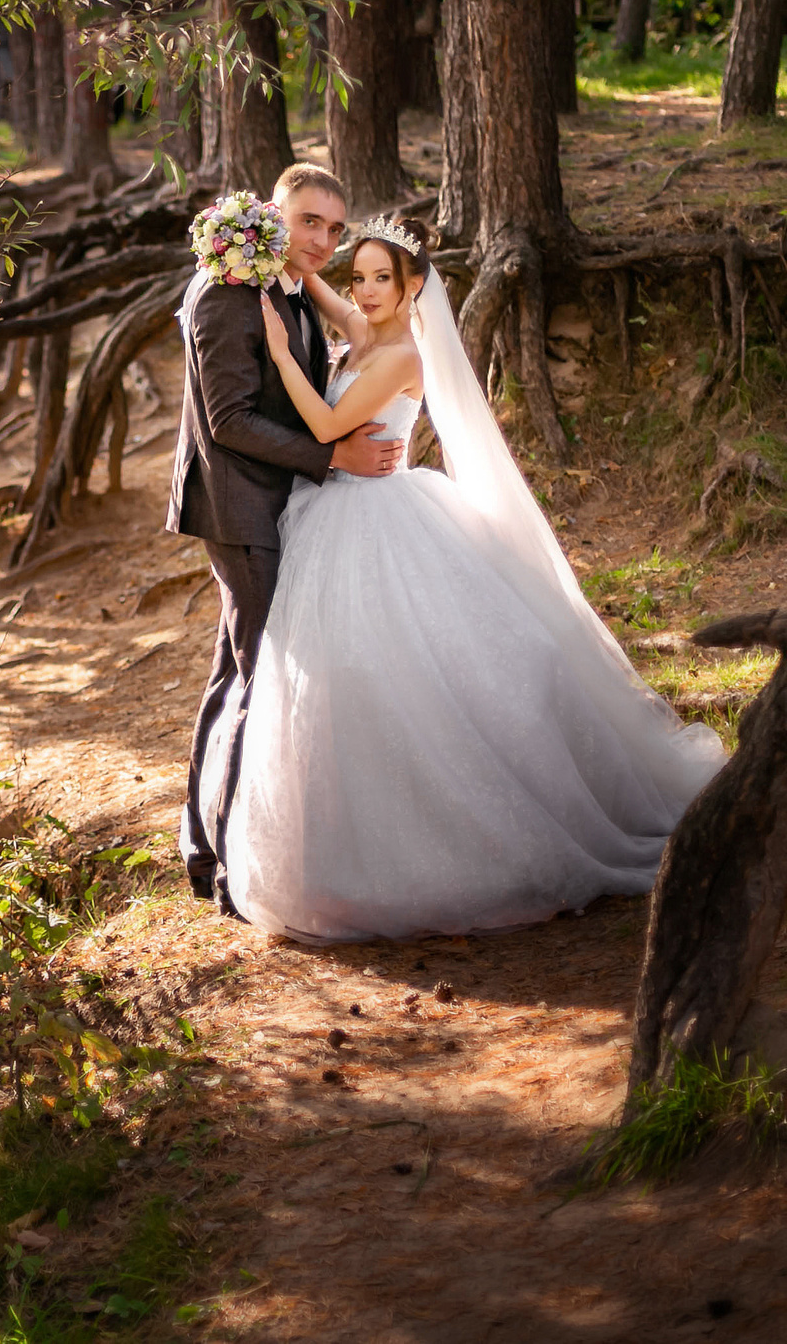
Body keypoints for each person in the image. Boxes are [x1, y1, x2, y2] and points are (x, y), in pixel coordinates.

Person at [211, 213, 725, 941]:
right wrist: (288, 262)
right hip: (335, 513)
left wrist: (277, 351)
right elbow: (335, 305)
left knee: (413, 669)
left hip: (378, 513)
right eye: (360, 277)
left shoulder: (400, 356)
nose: (364, 289)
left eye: (382, 278)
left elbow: (326, 429)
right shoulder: (368, 332)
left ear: (413, 285)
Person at [167, 163, 402, 914]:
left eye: (335, 228)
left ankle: (202, 849)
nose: (323, 241)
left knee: (231, 675)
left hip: (280, 507)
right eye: (310, 222)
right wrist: (333, 455)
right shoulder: (226, 293)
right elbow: (228, 420)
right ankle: (239, 865)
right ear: (274, 212)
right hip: (239, 510)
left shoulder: (290, 288)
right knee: (263, 677)